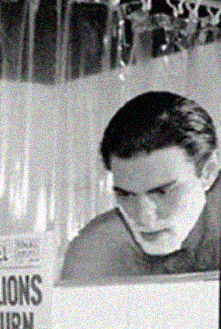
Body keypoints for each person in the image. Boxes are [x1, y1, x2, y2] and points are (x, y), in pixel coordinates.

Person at [60, 91, 220, 281]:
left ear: (208, 173)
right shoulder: (93, 251)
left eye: (162, 192)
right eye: (125, 195)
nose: (144, 217)